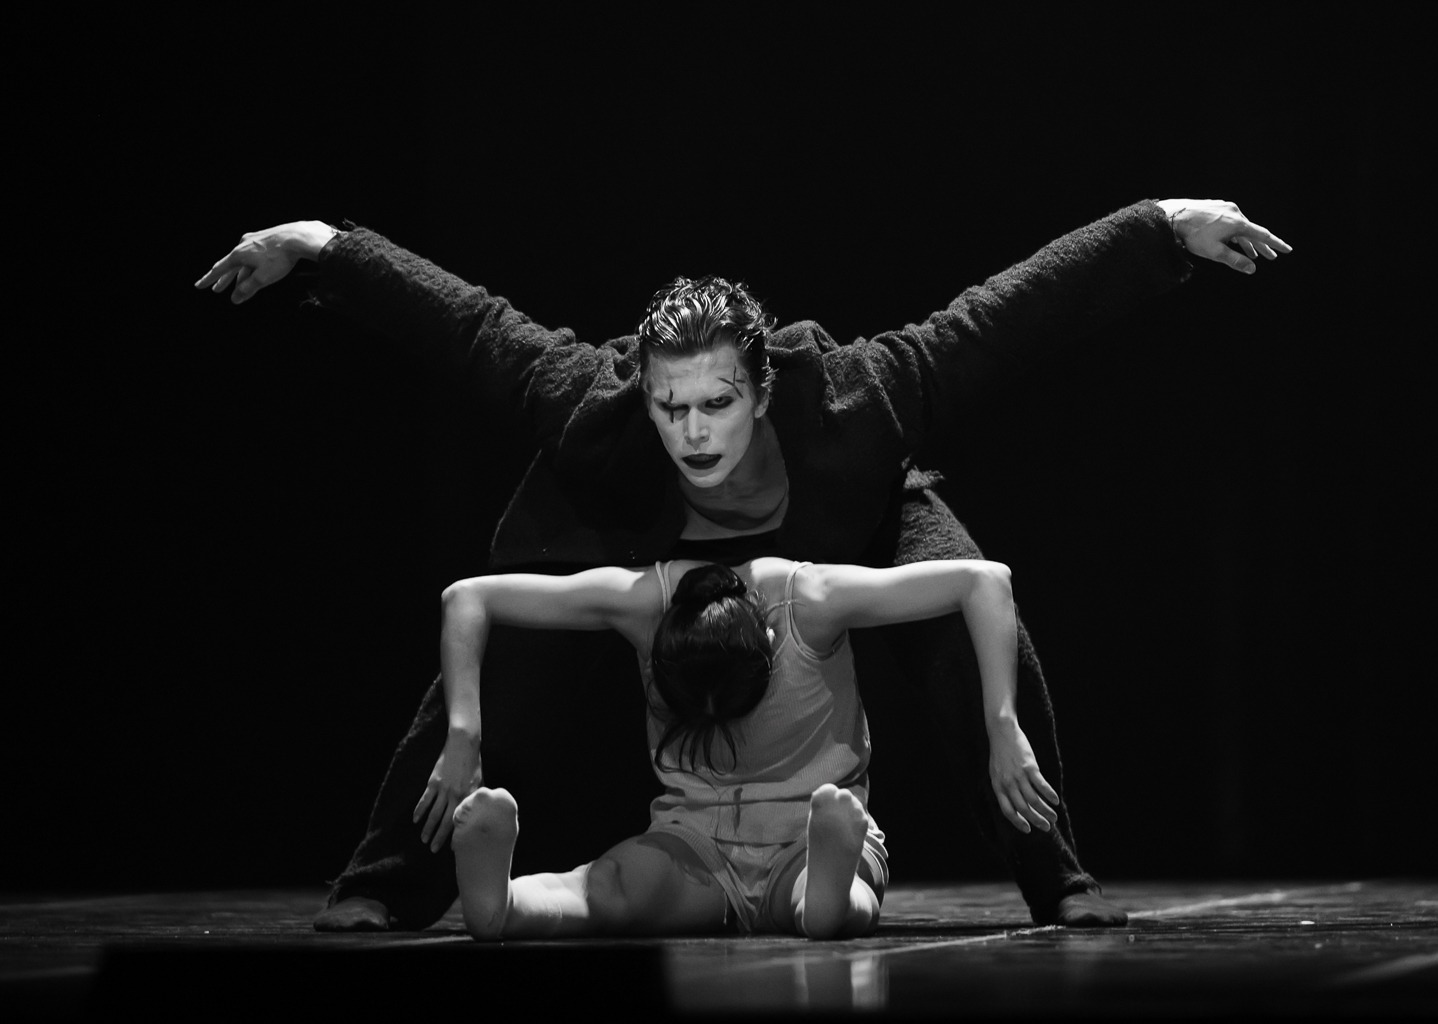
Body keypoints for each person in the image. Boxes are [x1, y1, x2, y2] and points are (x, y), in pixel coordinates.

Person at [197, 197, 1290, 931]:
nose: (693, 432)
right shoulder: (597, 409)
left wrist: (1157, 228)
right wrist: (326, 250)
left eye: (717, 403)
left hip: (847, 528)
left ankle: (1060, 878)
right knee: (510, 646)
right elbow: (472, 329)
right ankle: (385, 880)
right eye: (670, 407)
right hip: (643, 549)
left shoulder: (856, 396)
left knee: (965, 626)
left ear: (763, 392)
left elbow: (1001, 320)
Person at [421, 555, 1047, 939]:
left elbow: (984, 580)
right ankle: (501, 905)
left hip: (805, 835)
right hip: (694, 842)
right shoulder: (646, 605)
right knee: (607, 888)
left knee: (833, 897)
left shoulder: (811, 602)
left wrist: (1003, 726)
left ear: (770, 641)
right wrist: (462, 736)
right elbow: (468, 597)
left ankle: (827, 892)